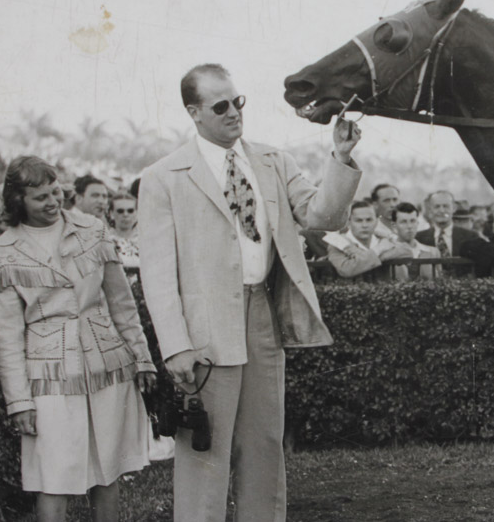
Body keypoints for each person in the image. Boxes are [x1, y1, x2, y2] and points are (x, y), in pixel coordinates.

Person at [138, 63, 362, 522]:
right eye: (220, 106)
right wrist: (175, 346)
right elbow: (157, 273)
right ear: (194, 112)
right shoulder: (163, 177)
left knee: (264, 445)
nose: (234, 113)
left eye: (238, 102)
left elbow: (323, 216)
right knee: (206, 449)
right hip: (203, 334)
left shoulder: (274, 161)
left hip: (264, 316)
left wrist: (339, 156)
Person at [0, 155, 156, 522]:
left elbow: (121, 302)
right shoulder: (2, 252)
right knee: (54, 478)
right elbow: (7, 338)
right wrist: (19, 402)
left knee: (107, 472)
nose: (52, 203)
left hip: (106, 367)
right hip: (49, 381)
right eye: (40, 198)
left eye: (55, 192)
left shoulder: (92, 229)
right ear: (18, 201)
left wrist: (141, 356)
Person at [326, 201, 412, 279]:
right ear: (349, 222)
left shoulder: (383, 238)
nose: (364, 225)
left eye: (369, 220)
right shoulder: (337, 242)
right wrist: (377, 250)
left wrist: (379, 257)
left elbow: (407, 251)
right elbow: (346, 269)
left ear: (376, 221)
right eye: (359, 220)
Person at [416, 190, 485, 276]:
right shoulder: (419, 238)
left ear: (454, 208)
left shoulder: (470, 236)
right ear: (430, 209)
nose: (441, 210)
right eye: (437, 207)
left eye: (446, 206)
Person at [390, 202, 439, 280]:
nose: (409, 226)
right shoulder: (388, 252)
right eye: (403, 222)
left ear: (417, 223)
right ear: (394, 226)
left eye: (412, 221)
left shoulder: (432, 252)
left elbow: (440, 282)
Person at [109, 191, 140, 269]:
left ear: (137, 213)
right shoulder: (105, 240)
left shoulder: (146, 240)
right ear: (111, 214)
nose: (125, 215)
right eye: (120, 211)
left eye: (130, 211)